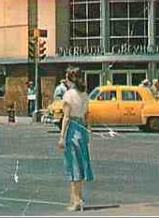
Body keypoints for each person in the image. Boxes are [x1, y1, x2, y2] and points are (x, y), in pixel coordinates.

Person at [57, 67, 93, 212]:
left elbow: (66, 117)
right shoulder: (84, 94)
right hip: (82, 130)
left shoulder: (68, 95)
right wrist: (88, 131)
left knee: (73, 166)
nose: (65, 80)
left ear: (70, 79)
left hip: (73, 129)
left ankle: (77, 201)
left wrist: (61, 136)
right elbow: (87, 115)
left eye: (66, 77)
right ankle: (77, 197)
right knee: (80, 163)